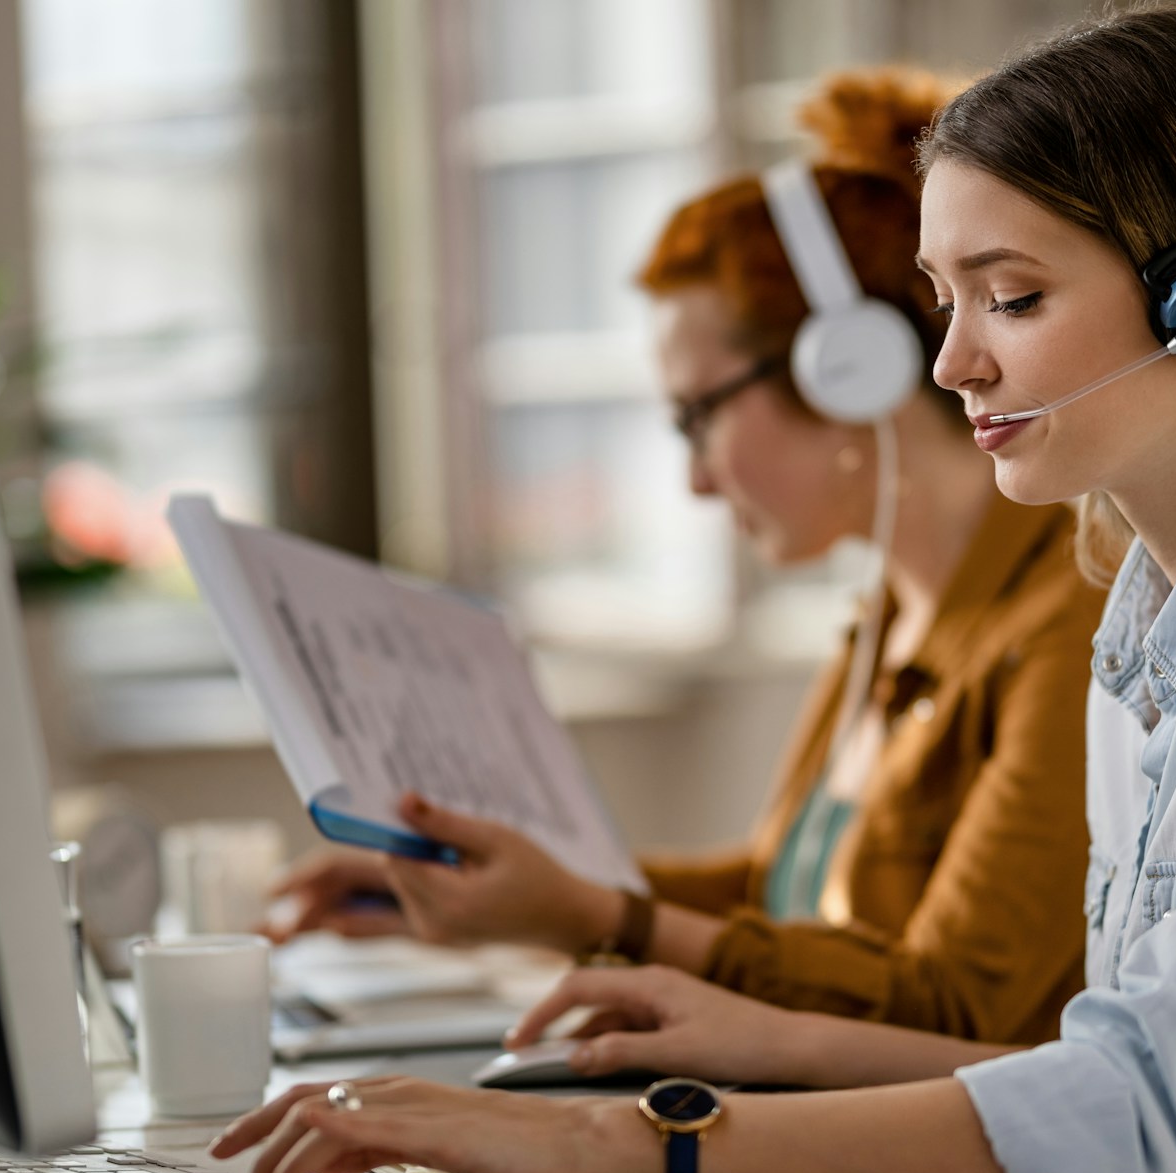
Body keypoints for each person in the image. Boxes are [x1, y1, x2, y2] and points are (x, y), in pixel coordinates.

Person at [214, 9, 1176, 1173]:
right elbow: (1109, 1063)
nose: (951, 366)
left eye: (1011, 298)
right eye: (945, 302)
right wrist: (766, 1043)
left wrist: (630, 1141)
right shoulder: (1142, 605)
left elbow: (1150, 1109)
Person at [268, 69, 1108, 1045]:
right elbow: (776, 890)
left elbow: (953, 1006)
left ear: (844, 369)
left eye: (697, 416)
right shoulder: (888, 613)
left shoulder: (1070, 620)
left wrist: (593, 916)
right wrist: (500, 876)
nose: (698, 482)